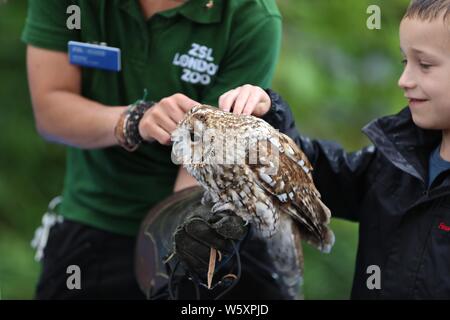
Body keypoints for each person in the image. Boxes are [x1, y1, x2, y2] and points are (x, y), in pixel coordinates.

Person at [22, 0, 282, 299]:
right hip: (94, 218)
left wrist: (175, 256)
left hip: (190, 224)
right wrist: (134, 121)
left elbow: (205, 162)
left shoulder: (250, 16)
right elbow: (51, 112)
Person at [217, 0, 450, 299]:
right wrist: (267, 119)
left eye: (425, 65)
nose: (404, 81)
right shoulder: (395, 160)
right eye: (405, 62)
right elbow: (307, 177)